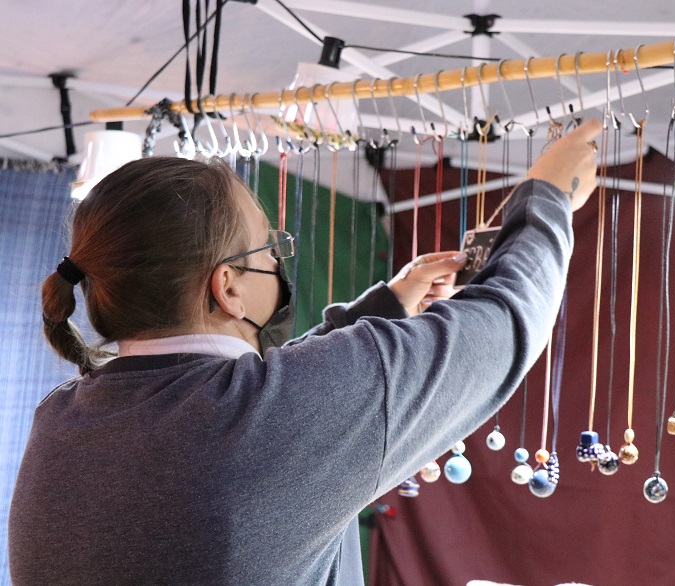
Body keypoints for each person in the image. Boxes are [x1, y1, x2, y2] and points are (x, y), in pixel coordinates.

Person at [8, 119, 601, 585]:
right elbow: (505, 323)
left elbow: (267, 409)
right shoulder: (262, 417)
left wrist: (386, 307)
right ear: (228, 287)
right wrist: (547, 197)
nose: (278, 262)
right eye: (269, 250)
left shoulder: (60, 417)